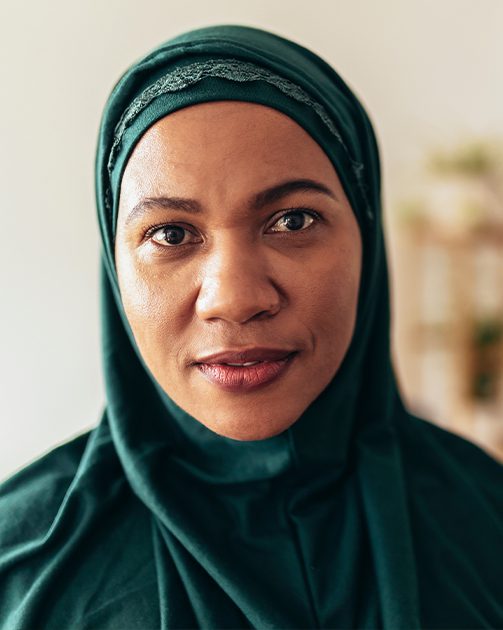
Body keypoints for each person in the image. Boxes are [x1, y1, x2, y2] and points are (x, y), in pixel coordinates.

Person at [0, 24, 501, 630]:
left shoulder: (486, 519)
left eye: (293, 220)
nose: (235, 300)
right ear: (115, 264)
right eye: (172, 234)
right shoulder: (22, 576)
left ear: (366, 240)